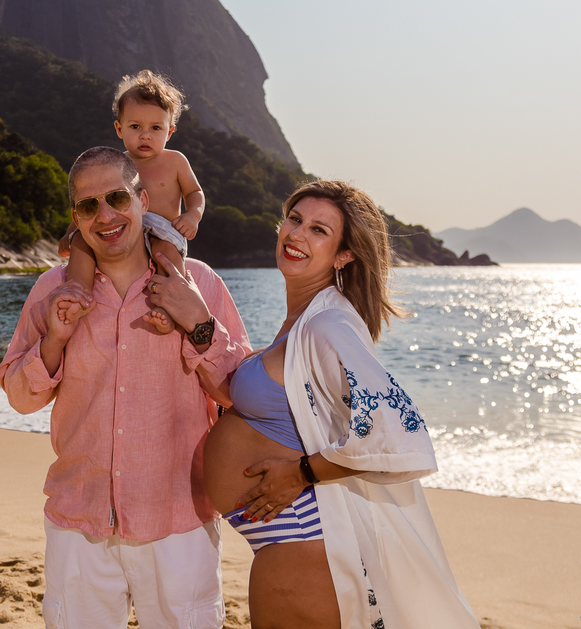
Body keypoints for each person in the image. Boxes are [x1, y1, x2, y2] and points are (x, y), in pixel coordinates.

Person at [201, 180, 479, 629]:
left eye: (318, 230)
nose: (296, 235)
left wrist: (302, 472)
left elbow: (393, 431)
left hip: (301, 540)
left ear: (343, 255)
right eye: (294, 219)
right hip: (291, 538)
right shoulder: (305, 320)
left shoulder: (327, 323)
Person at [0, 146, 251, 629]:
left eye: (117, 198)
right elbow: (20, 397)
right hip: (79, 519)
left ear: (141, 198)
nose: (106, 216)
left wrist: (197, 323)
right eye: (89, 205)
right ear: (76, 216)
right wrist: (55, 337)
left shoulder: (197, 283)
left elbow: (237, 393)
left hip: (178, 519)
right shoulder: (52, 290)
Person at [57, 70, 204, 332]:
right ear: (119, 128)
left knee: (166, 257)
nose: (145, 135)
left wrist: (193, 215)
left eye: (155, 128)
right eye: (135, 127)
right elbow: (92, 205)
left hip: (163, 228)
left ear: (169, 131)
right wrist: (71, 232)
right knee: (81, 242)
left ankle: (170, 308)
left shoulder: (175, 161)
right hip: (122, 224)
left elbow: (195, 193)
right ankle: (77, 290)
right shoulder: (117, 164)